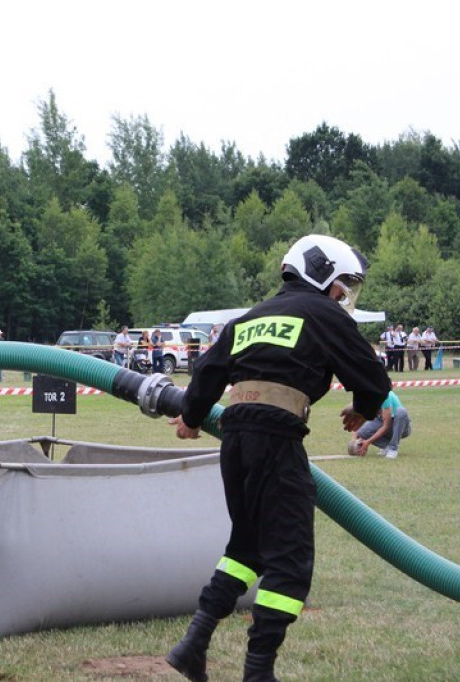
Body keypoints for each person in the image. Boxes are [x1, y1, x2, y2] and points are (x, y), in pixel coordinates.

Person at [165, 234, 390, 682]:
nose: (342, 295)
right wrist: (363, 407)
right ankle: (259, 670)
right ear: (321, 273)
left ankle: (195, 640)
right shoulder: (324, 314)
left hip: (236, 440)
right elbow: (372, 376)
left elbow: (208, 370)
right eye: (341, 285)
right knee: (290, 562)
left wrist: (190, 417)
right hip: (277, 438)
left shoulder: (250, 317)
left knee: (245, 548)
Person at [352, 390, 411, 459]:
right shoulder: (365, 397)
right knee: (362, 432)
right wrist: (354, 440)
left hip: (401, 427)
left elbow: (386, 426)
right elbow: (359, 420)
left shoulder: (385, 396)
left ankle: (393, 449)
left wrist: (368, 442)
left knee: (401, 411)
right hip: (383, 422)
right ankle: (387, 447)